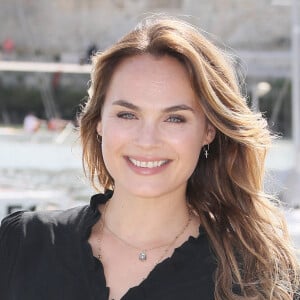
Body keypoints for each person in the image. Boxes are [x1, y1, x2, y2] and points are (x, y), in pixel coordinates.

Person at [0, 15, 299, 300]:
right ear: (99, 121)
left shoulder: (259, 277)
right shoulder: (22, 243)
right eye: (127, 114)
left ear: (208, 130)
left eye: (174, 119)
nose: (147, 140)